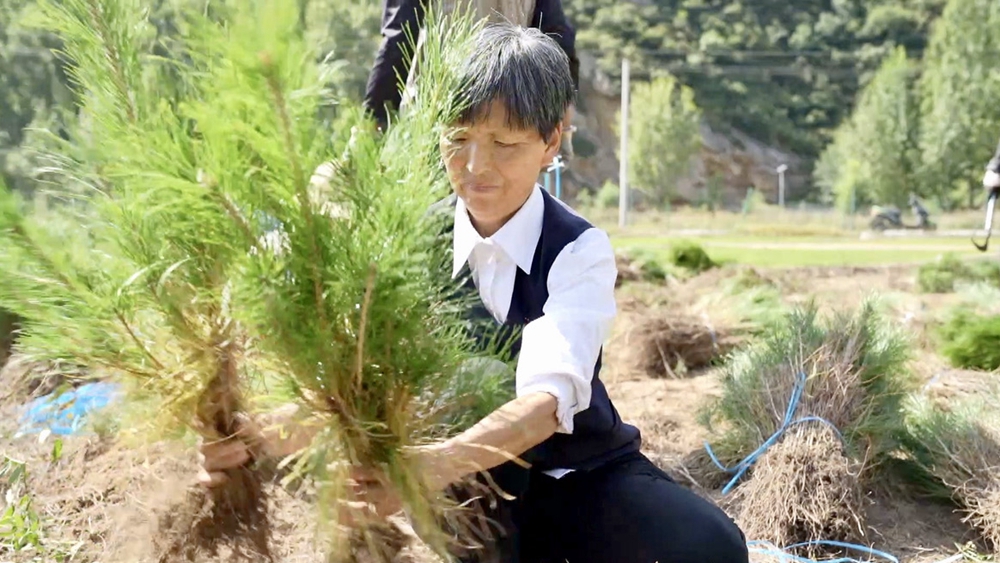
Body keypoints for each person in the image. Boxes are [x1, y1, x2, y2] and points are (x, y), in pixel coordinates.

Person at [199, 23, 749, 563]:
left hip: (579, 476)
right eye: (457, 140)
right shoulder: (409, 245)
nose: (475, 167)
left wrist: (419, 469)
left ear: (551, 140)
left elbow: (542, 406)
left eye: (505, 144)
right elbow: (349, 397)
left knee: (708, 546)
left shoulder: (578, 249)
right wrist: (248, 439)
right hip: (463, 496)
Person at [363, 0, 579, 154]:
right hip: (511, 121)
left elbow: (399, 38)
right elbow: (557, 36)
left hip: (439, 121)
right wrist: (562, 121)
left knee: (434, 212)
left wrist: (373, 124)